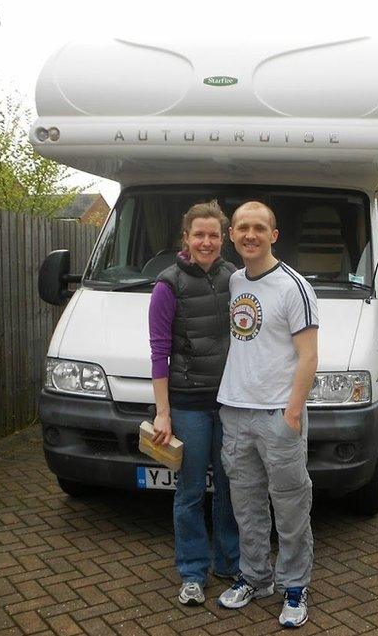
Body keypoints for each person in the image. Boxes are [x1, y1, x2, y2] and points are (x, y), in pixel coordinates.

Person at [215, 201, 319, 629]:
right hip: (236, 412)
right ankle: (255, 577)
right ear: (233, 236)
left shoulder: (294, 286)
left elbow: (309, 356)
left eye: (259, 227)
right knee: (247, 506)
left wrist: (292, 414)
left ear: (273, 235)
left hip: (278, 415)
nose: (250, 234)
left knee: (291, 506)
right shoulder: (234, 280)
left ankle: (295, 585)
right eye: (242, 228)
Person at [148, 200, 240, 606]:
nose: (206, 242)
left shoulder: (235, 278)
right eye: (199, 234)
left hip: (230, 403)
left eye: (213, 235)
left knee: (229, 486)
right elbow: (159, 351)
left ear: (224, 239)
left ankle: (228, 562)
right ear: (185, 238)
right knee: (188, 491)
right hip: (188, 404)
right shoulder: (167, 285)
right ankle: (191, 571)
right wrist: (163, 412)